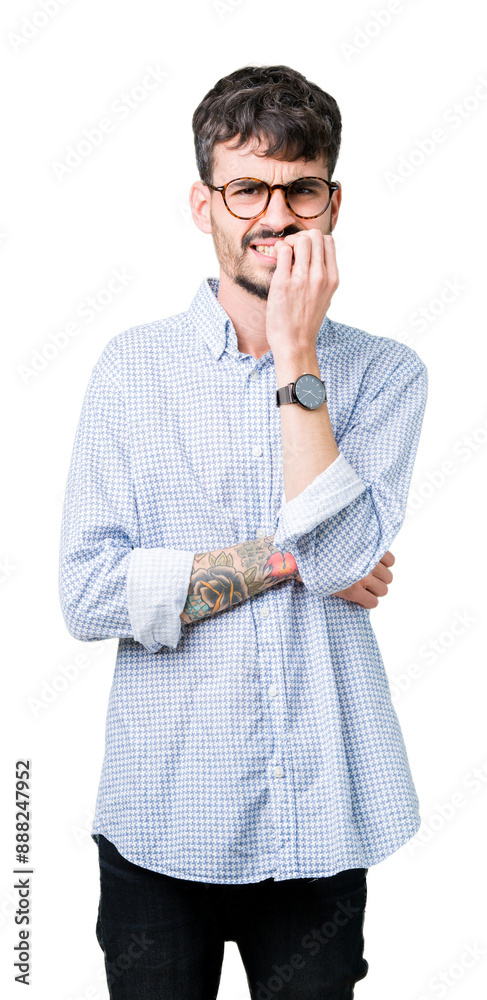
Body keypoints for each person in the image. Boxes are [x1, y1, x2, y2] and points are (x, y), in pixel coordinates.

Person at [59, 64, 428, 1000]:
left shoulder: (387, 376)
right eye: (247, 188)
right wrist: (289, 557)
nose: (276, 214)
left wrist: (296, 355)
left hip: (321, 824)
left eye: (301, 187)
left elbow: (344, 559)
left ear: (331, 202)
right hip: (159, 817)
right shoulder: (130, 371)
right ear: (203, 204)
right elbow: (89, 593)